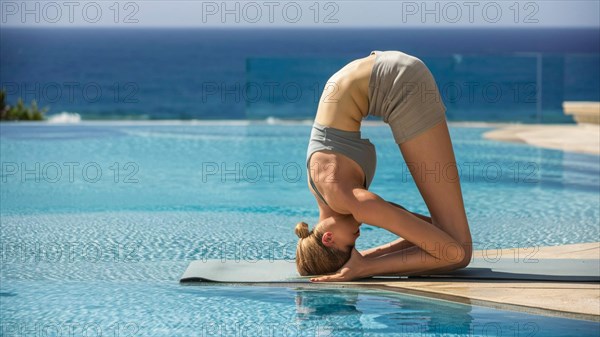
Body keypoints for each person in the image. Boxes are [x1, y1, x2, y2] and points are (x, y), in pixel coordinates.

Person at [295, 50, 473, 282]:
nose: (357, 237)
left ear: (328, 238)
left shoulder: (353, 200)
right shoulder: (328, 195)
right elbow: (428, 230)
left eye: (351, 246)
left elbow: (452, 252)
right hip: (378, 71)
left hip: (398, 81)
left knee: (461, 249)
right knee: (449, 235)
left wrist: (366, 267)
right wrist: (368, 260)